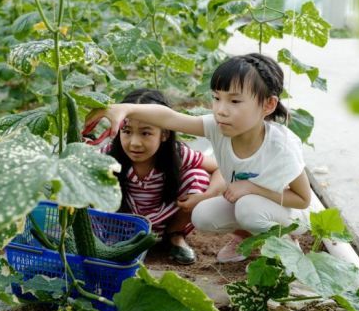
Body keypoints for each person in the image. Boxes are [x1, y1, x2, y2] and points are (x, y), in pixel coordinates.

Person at [85, 53, 311, 264]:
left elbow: (302, 199)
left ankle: (288, 247)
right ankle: (245, 238)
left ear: (267, 105)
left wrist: (251, 188)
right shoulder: (217, 128)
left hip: (289, 214)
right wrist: (124, 108)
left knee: (248, 208)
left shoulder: (280, 145)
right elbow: (170, 117)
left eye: (234, 101)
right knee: (202, 214)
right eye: (216, 98)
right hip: (249, 204)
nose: (221, 110)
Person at [99, 88, 225, 265]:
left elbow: (221, 169)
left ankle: (175, 236)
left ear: (164, 134)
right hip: (123, 223)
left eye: (145, 133)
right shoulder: (109, 154)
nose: (134, 142)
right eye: (126, 131)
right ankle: (116, 238)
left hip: (166, 221)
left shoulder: (178, 154)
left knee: (198, 175)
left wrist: (206, 196)